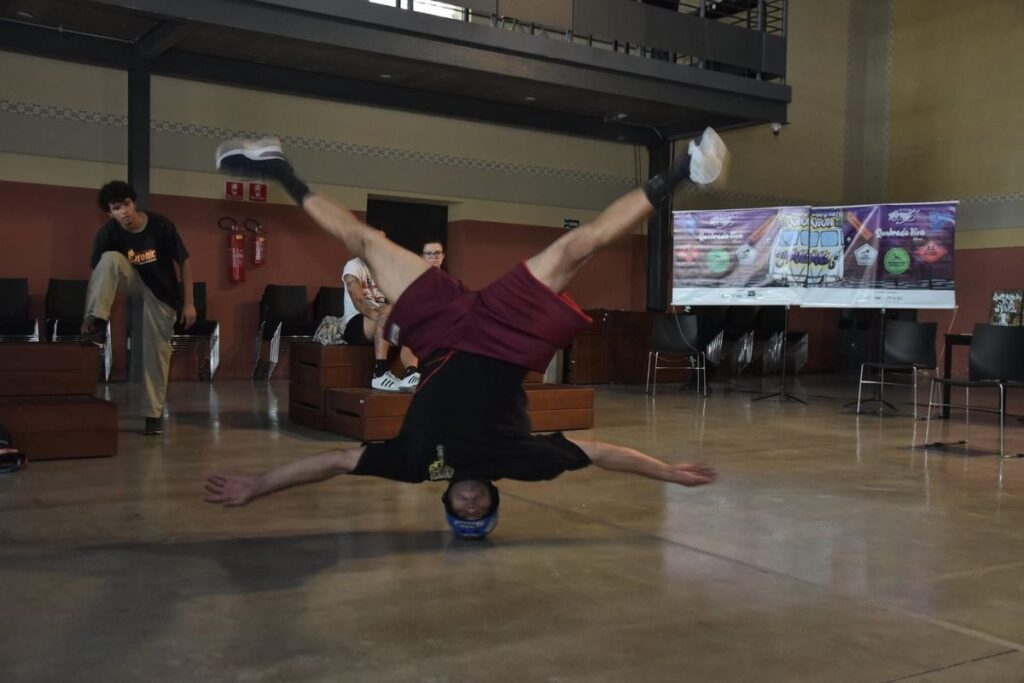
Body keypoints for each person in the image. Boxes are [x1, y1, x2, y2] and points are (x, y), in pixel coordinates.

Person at [206, 129, 727, 537]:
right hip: (506, 339)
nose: (472, 504)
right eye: (481, 511)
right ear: (495, 500)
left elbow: (336, 461)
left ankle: (278, 168)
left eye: (464, 512)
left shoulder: (414, 467)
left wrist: (258, 486)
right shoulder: (523, 464)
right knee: (577, 249)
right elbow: (601, 453)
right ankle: (685, 169)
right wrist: (667, 472)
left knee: (365, 241)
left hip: (438, 336)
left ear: (447, 501)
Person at [81, 181, 196, 435]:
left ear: (134, 203)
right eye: (116, 208)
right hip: (133, 280)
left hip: (162, 293)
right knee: (108, 259)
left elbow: (184, 263)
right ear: (109, 212)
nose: (124, 212)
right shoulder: (107, 234)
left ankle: (153, 414)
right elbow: (96, 274)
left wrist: (189, 303)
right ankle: (99, 324)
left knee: (156, 352)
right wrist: (88, 317)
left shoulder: (161, 225)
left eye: (126, 205)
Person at [340, 256, 419, 391]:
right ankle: (380, 374)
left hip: (383, 322)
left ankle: (411, 372)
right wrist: (382, 318)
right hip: (356, 322)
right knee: (387, 312)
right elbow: (358, 302)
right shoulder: (353, 266)